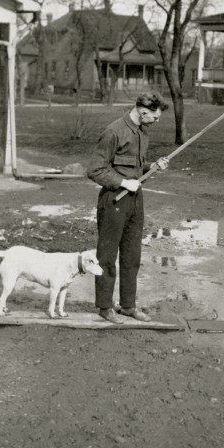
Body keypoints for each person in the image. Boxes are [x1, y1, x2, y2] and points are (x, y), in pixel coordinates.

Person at [87, 92, 170, 323]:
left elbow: (136, 167)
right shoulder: (114, 132)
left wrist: (153, 166)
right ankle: (105, 307)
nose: (156, 121)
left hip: (135, 201)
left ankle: (128, 306)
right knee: (107, 256)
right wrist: (123, 182)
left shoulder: (143, 133)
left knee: (132, 256)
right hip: (114, 200)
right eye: (155, 117)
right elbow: (94, 169)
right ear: (143, 112)